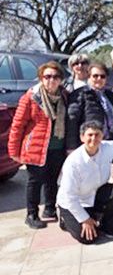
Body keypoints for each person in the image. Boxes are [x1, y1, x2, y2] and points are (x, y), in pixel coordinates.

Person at [8, 61, 68, 229]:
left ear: (60, 79)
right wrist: (14, 150)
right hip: (36, 147)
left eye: (55, 77)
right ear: (41, 78)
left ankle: (49, 209)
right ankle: (31, 214)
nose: (51, 80)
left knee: (52, 180)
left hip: (57, 146)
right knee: (35, 182)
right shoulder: (31, 97)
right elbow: (18, 125)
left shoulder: (64, 96)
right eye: (47, 76)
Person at [57, 121, 113, 243]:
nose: (93, 138)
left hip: (94, 195)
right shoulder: (73, 162)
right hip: (73, 203)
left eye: (97, 134)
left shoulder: (107, 148)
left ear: (102, 136)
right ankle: (64, 220)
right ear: (82, 137)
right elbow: (69, 197)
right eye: (90, 135)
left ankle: (105, 223)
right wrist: (84, 219)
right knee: (88, 238)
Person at [66, 63, 113, 150]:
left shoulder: (111, 96)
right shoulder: (79, 94)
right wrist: (71, 147)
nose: (99, 79)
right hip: (87, 144)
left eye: (102, 76)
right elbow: (72, 122)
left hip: (107, 143)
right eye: (95, 76)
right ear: (89, 77)